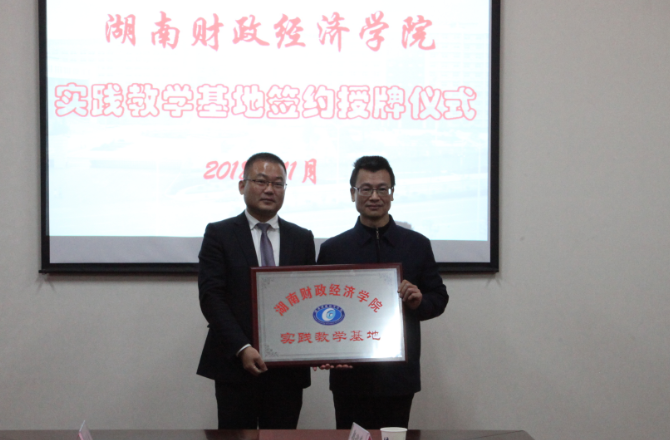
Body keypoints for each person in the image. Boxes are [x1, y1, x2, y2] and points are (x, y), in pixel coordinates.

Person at [317, 155, 448, 429]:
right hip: (349, 377)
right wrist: (324, 349)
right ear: (353, 193)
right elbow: (320, 308)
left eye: (382, 189)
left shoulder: (417, 245)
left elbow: (439, 297)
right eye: (366, 189)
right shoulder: (333, 249)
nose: (374, 196)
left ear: (392, 193)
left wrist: (419, 301)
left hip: (398, 375)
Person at [197, 152, 315, 429]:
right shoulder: (219, 234)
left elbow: (309, 298)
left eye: (278, 183)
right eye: (261, 181)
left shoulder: (302, 238)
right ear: (242, 186)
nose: (269, 190)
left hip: (288, 369)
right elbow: (211, 297)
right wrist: (243, 347)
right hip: (235, 364)